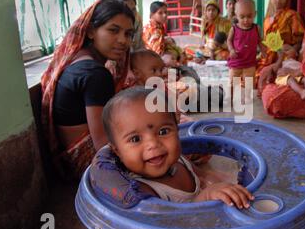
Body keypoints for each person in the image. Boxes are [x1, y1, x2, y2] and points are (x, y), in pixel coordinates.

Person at [95, 87, 254, 206]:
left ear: (177, 129)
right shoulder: (143, 191)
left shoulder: (178, 160)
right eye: (135, 139)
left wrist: (223, 181)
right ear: (117, 151)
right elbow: (174, 223)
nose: (153, 144)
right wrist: (205, 197)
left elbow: (203, 175)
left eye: (163, 131)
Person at [41, 0, 135, 179]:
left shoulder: (80, 60)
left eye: (128, 34)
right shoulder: (96, 74)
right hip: (88, 163)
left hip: (68, 159)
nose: (123, 41)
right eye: (113, 30)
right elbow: (102, 145)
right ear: (91, 31)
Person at [255, 0, 305, 87]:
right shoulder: (267, 19)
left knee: (267, 78)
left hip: (285, 55)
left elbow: (300, 40)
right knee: (249, 72)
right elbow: (266, 43)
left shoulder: (292, 15)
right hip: (269, 55)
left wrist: (293, 50)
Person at [227, 0, 268, 93]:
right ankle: (230, 98)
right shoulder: (234, 28)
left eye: (249, 16)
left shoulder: (256, 28)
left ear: (255, 14)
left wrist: (263, 51)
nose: (246, 20)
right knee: (233, 82)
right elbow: (229, 40)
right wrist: (231, 50)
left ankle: (247, 100)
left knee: (249, 84)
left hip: (250, 63)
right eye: (242, 17)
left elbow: (260, 41)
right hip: (236, 62)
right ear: (236, 15)